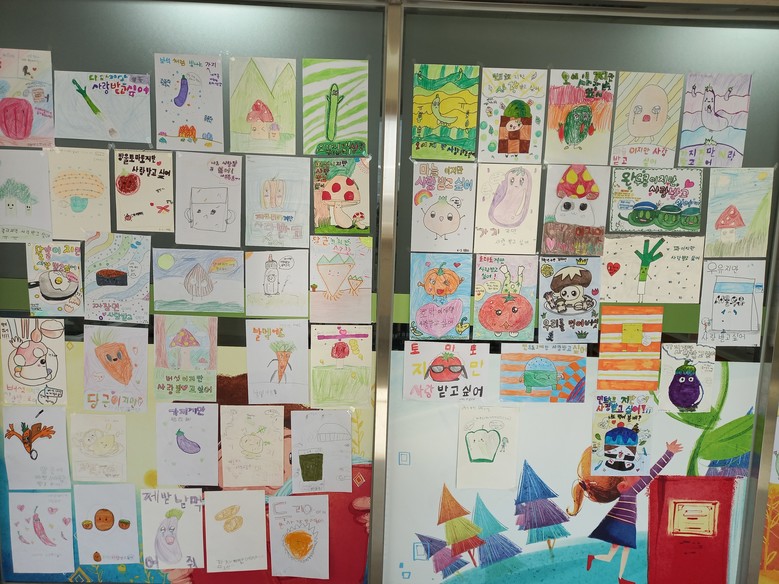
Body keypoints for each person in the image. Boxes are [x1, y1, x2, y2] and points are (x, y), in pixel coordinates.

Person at [567, 440, 683, 584]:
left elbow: (649, 477)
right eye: (631, 467)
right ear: (623, 485)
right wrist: (669, 453)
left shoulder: (629, 488)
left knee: (613, 553)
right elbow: (653, 473)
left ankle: (597, 560)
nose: (639, 469)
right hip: (624, 524)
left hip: (621, 524)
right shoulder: (631, 490)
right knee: (625, 549)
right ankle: (620, 577)